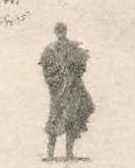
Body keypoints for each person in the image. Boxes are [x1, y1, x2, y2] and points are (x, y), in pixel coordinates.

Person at [39, 23, 95, 159]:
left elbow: (82, 67)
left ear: (66, 31)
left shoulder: (74, 47)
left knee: (73, 117)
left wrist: (74, 67)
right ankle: (50, 154)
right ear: (55, 32)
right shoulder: (50, 49)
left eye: (62, 31)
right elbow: (46, 69)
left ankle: (69, 152)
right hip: (58, 90)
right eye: (58, 31)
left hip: (73, 88)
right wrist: (58, 73)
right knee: (55, 118)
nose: (61, 33)